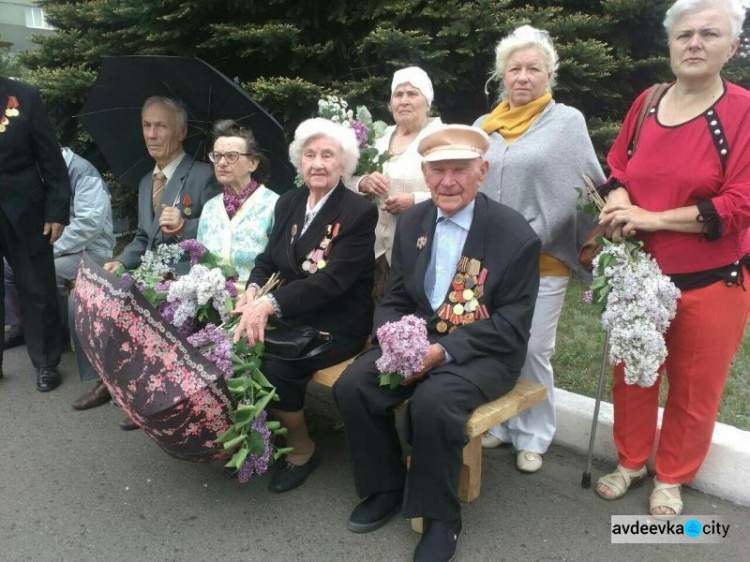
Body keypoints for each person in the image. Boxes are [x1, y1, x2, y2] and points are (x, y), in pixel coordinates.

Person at [333, 124, 541, 562]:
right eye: (438, 170)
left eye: (460, 170)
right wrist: (394, 338)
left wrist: (441, 352)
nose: (448, 181)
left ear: (481, 172)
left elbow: (512, 324)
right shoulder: (413, 220)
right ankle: (384, 487)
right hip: (419, 338)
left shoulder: (514, 234)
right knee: (353, 387)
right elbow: (398, 295)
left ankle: (441, 518)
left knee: (432, 403)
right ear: (425, 175)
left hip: (483, 351)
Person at [595, 0, 750, 516]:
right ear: (669, 44)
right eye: (685, 34)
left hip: (712, 281)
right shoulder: (647, 101)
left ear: (732, 47)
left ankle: (674, 477)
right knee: (634, 373)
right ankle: (631, 461)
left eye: (711, 34)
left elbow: (740, 204)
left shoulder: (743, 111)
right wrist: (618, 199)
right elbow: (617, 168)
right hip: (640, 276)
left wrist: (651, 219)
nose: (695, 43)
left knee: (693, 384)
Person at [473, 25, 606, 473]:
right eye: (515, 69)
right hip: (488, 261)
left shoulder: (566, 122)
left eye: (534, 69)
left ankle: (534, 434)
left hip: (543, 257)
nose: (523, 77)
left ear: (550, 75)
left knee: (533, 347)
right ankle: (502, 421)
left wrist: (582, 234)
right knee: (494, 341)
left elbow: (588, 185)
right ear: (502, 75)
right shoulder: (482, 128)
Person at [232, 118, 377, 494]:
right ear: (299, 161)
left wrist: (269, 303)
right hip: (291, 311)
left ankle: (301, 449)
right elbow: (268, 258)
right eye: (309, 154)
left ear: (343, 164)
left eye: (327, 155)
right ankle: (262, 432)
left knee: (274, 362)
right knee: (239, 343)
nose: (317, 163)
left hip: (337, 320)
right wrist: (252, 289)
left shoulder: (358, 211)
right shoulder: (290, 201)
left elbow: (333, 281)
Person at [71, 96, 220, 423]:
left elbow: (218, 231)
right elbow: (143, 237)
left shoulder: (202, 176)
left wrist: (184, 225)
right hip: (150, 272)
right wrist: (122, 262)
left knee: (145, 305)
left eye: (161, 126)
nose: (151, 134)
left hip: (186, 278)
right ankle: (109, 381)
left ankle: (144, 396)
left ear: (180, 132)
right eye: (146, 125)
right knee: (90, 297)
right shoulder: (144, 182)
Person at [4, 147, 115, 348]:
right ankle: (21, 325)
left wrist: (44, 250)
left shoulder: (83, 173)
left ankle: (58, 334)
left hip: (92, 251)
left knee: (48, 272)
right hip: (54, 248)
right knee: (7, 265)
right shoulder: (41, 172)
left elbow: (88, 226)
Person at [0, 76, 70, 391]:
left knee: (37, 286)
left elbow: (51, 158)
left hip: (25, 206)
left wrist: (56, 210)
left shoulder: (24, 95)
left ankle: (45, 362)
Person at [350, 66, 443, 295]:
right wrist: (363, 182)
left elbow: (460, 190)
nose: (404, 101)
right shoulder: (379, 137)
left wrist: (415, 200)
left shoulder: (442, 137)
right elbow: (344, 180)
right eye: (398, 95)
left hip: (420, 249)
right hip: (373, 252)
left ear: (427, 101)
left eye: (412, 94)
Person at [197, 120, 279, 281]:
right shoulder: (210, 207)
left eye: (231, 156)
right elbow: (199, 263)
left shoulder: (274, 205)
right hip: (209, 300)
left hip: (255, 300)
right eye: (217, 156)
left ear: (253, 163)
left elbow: (278, 266)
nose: (221, 163)